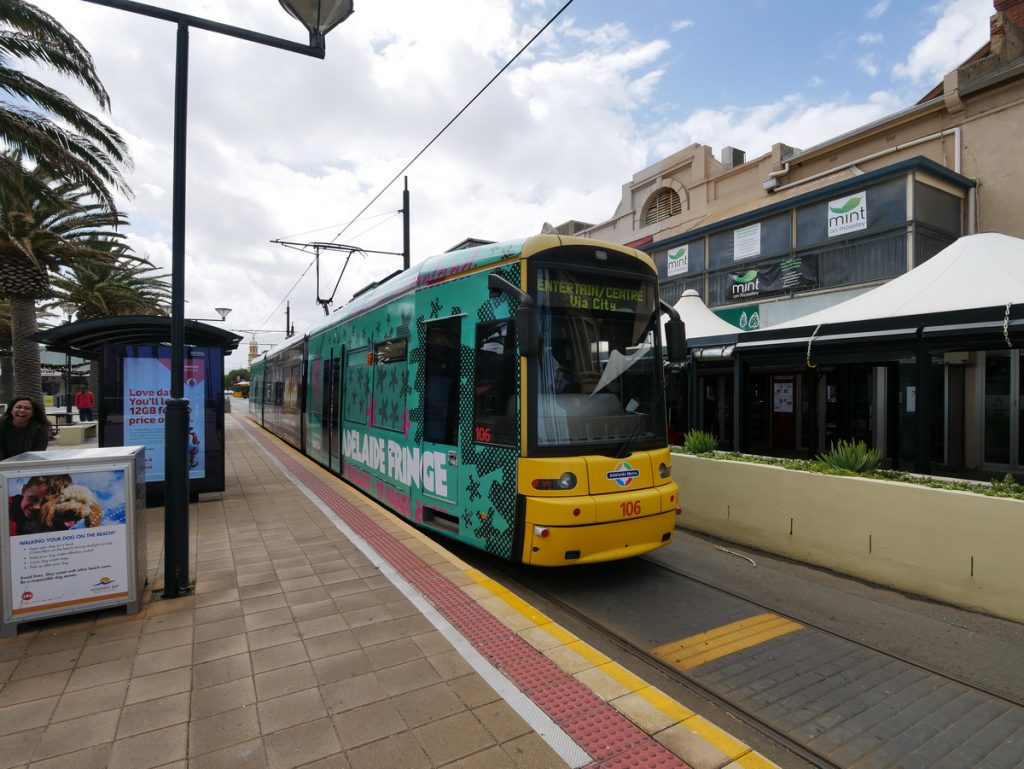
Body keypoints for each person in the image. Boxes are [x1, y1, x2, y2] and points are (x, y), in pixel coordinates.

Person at [8, 474, 72, 536]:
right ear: (24, 490)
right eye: (33, 499)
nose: (37, 507)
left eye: (45, 503)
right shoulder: (4, 510)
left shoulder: (61, 521)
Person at [0, 396, 51, 461]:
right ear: (11, 411)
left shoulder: (40, 430)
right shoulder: (2, 425)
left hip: (26, 465)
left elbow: (37, 454)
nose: (22, 410)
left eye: (27, 408)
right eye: (18, 407)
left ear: (33, 414)